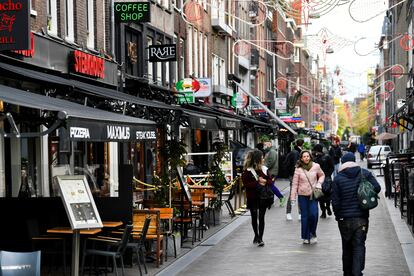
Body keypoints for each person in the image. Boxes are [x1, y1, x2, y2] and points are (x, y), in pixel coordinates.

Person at [332, 152, 381, 276]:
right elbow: (377, 188)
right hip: (361, 217)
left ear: (342, 163)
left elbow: (336, 201)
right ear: (354, 161)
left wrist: (338, 216)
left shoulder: (338, 178)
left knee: (346, 246)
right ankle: (357, 272)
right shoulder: (365, 173)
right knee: (359, 245)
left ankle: (347, 273)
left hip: (344, 219)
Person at [290, 150, 325, 244]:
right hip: (302, 196)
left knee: (314, 215)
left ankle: (313, 233)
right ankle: (305, 236)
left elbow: (322, 175)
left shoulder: (316, 166)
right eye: (304, 156)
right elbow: (294, 184)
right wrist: (292, 198)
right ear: (301, 158)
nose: (306, 158)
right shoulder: (298, 169)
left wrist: (319, 184)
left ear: (310, 157)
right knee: (305, 216)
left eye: (307, 156)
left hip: (313, 195)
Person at [242, 149, 273, 247]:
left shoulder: (264, 169)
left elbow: (270, 182)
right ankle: (256, 234)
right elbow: (246, 184)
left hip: (263, 197)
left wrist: (263, 181)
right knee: (254, 217)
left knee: (261, 217)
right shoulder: (247, 171)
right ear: (257, 159)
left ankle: (260, 238)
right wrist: (258, 182)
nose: (263, 159)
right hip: (252, 197)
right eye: (262, 157)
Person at [262, 138, 287, 207]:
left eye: (265, 144)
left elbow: (271, 162)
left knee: (270, 186)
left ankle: (281, 197)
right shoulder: (269, 151)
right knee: (269, 186)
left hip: (271, 173)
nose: (264, 146)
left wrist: (263, 167)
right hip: (270, 172)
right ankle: (271, 201)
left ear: (269, 144)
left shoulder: (272, 151)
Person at [312, 144, 335, 219]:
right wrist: (328, 174)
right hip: (326, 178)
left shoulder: (315, 159)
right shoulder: (327, 157)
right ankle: (327, 208)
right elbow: (332, 167)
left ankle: (324, 211)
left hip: (319, 179)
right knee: (327, 194)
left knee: (320, 196)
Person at [284, 139, 304, 220]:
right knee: (296, 194)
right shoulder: (297, 153)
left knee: (294, 194)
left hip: (293, 175)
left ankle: (290, 213)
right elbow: (296, 165)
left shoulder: (295, 152)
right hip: (295, 175)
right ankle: (294, 213)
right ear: (302, 144)